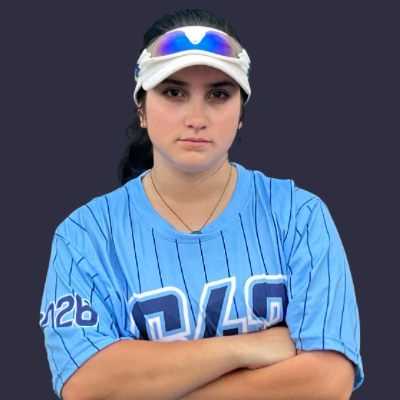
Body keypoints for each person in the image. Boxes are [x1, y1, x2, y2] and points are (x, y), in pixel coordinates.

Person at [39, 9, 364, 400]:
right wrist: (246, 347)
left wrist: (149, 386)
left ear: (241, 113)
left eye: (218, 94)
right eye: (173, 92)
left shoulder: (299, 216)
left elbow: (329, 382)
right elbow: (85, 385)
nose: (196, 118)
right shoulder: (85, 235)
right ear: (141, 108)